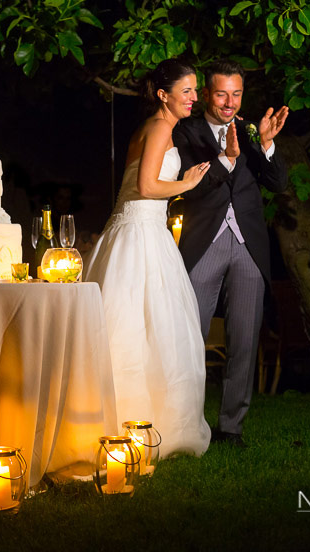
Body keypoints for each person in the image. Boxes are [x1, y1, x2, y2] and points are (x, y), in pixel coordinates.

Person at [84, 59, 212, 457]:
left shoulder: (155, 128)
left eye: (195, 90)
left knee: (155, 329)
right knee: (135, 330)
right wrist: (185, 184)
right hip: (140, 233)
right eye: (187, 91)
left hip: (142, 229)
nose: (194, 97)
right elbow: (146, 185)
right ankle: (132, 420)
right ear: (163, 94)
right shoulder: (158, 128)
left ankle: (149, 419)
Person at [172, 59, 289, 447]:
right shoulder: (185, 131)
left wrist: (268, 144)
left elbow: (277, 183)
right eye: (222, 93)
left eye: (236, 94)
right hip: (204, 240)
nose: (229, 102)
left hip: (248, 246)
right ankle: (182, 423)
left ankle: (231, 428)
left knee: (243, 340)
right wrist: (227, 160)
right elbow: (191, 189)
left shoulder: (252, 130)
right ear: (206, 93)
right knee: (190, 336)